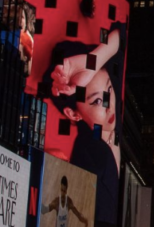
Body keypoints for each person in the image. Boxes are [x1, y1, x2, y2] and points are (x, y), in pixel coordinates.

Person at [44, 25, 123, 224]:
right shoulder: (90, 150)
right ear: (73, 113)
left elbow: (120, 36)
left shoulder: (103, 131)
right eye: (97, 101)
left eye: (109, 91)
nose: (109, 105)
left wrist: (91, 63)